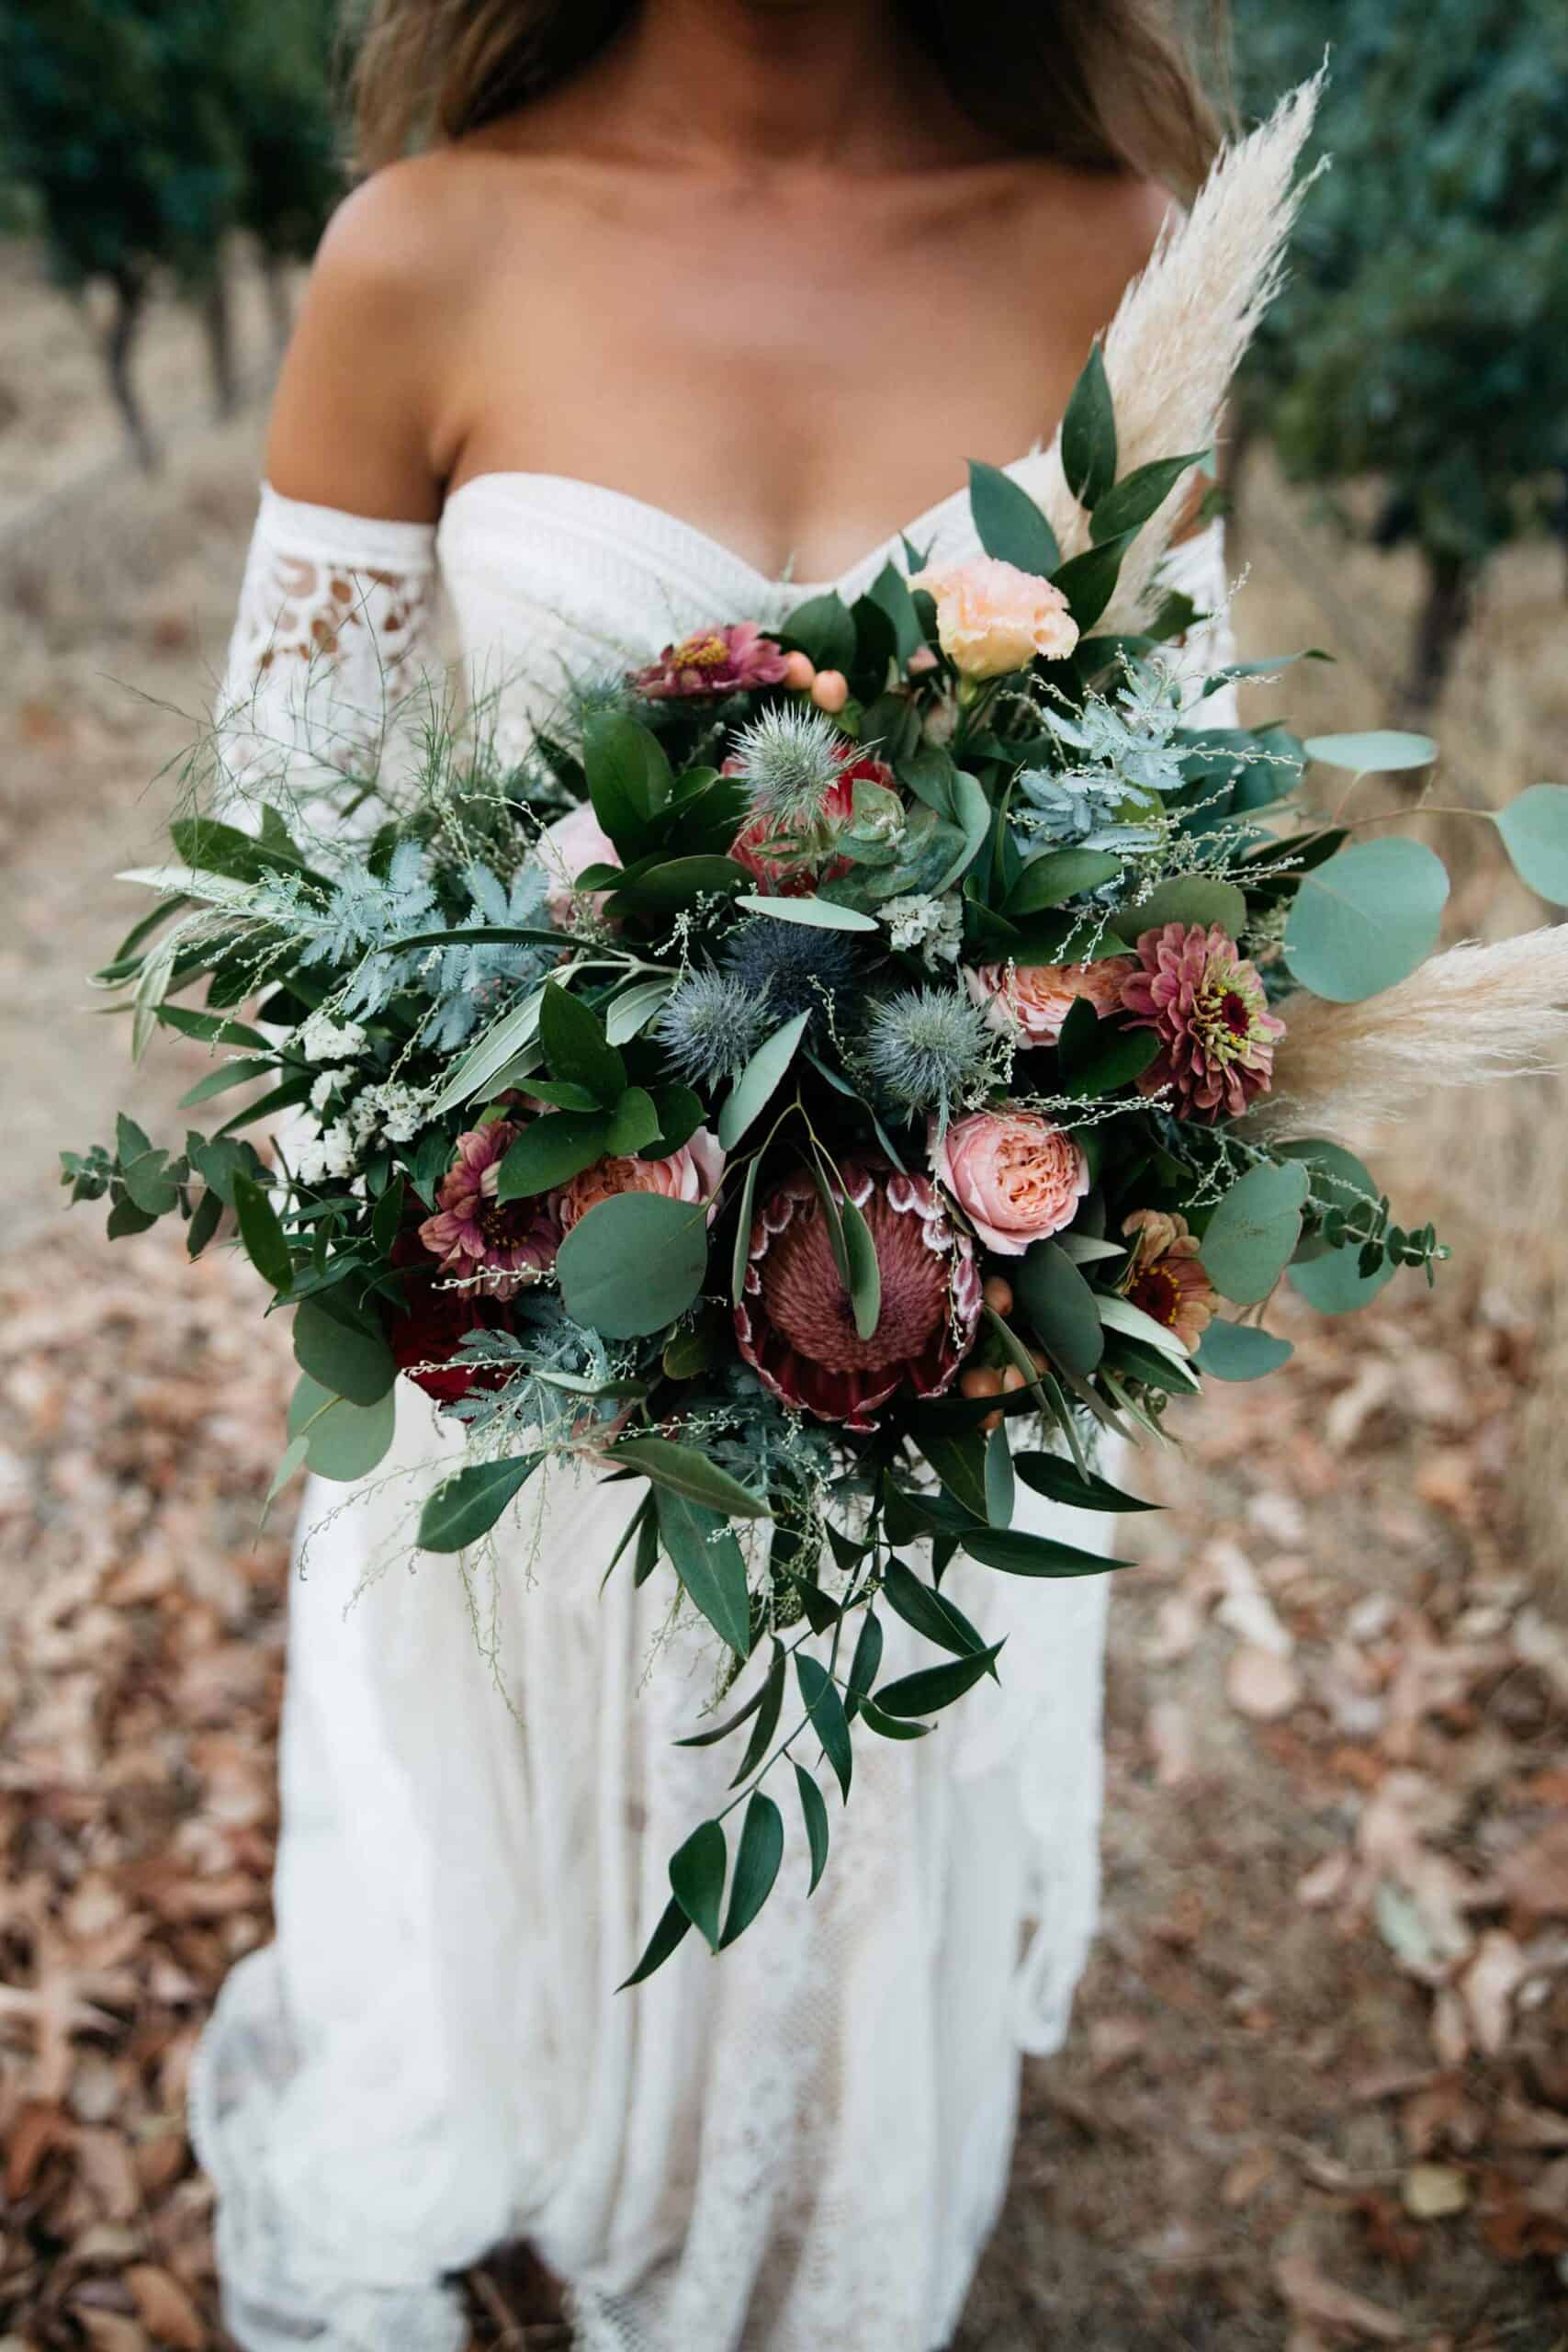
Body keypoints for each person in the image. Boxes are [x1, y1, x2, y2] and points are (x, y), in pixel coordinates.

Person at [191, 6, 1312, 2345]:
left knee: (849, 1850)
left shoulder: (1114, 258)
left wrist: (998, 1199)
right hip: (531, 1351)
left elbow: (1168, 862)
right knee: (547, 1865)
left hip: (938, 1359)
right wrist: (555, 1257)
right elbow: (284, 896)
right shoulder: (427, 252)